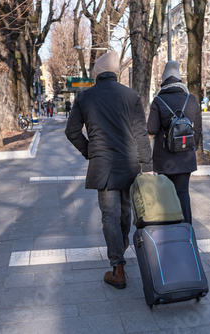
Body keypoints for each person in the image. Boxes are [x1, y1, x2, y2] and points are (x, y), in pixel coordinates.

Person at [65, 51, 153, 289]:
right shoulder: (131, 95)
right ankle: (121, 247)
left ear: (96, 73)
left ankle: (118, 267)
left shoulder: (85, 97)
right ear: (116, 72)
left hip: (103, 166)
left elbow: (71, 132)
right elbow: (140, 134)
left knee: (110, 216)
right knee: (125, 214)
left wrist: (89, 152)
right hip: (130, 165)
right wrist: (147, 166)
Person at [147, 60, 202, 225]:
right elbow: (198, 130)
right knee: (183, 193)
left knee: (165, 194)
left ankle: (169, 230)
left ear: (164, 81)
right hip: (186, 157)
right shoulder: (191, 99)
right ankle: (187, 229)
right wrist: (193, 148)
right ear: (180, 80)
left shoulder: (158, 101)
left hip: (165, 158)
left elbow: (152, 129)